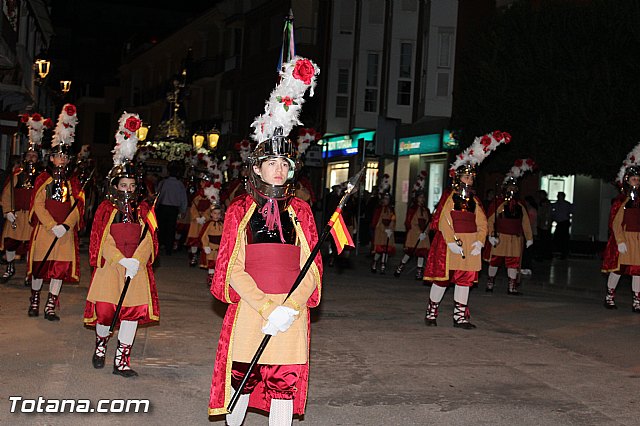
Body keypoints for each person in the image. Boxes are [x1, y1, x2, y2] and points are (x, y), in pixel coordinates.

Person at [208, 56, 321, 425]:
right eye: (272, 163)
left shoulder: (301, 212)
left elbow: (312, 268)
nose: (279, 169)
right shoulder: (239, 209)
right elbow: (231, 267)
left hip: (291, 311)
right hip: (251, 311)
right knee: (242, 379)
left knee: (284, 386)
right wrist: (265, 307)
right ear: (256, 168)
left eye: (285, 165)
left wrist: (290, 306)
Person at [83, 112, 159, 376]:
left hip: (135, 268)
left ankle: (122, 360)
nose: (127, 189)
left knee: (131, 313)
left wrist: (136, 260)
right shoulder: (105, 207)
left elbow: (150, 237)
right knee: (106, 312)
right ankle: (101, 345)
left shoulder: (144, 208)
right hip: (111, 266)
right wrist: (120, 259)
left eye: (131, 185)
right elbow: (100, 239)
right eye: (122, 184)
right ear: (115, 185)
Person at [423, 130, 510, 329]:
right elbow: (444, 220)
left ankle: (460, 316)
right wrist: (451, 242)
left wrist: (480, 241)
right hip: (450, 243)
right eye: (466, 177)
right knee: (443, 280)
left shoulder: (475, 200)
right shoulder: (449, 197)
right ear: (457, 178)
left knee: (465, 280)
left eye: (471, 178)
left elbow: (482, 223)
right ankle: (431, 311)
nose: (468, 181)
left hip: (470, 243)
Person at [27, 104, 84, 321]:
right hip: (46, 230)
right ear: (51, 158)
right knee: (40, 268)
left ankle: (50, 305)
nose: (62, 160)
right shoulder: (43, 179)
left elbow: (78, 207)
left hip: (65, 233)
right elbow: (38, 205)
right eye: (58, 156)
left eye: (65, 157)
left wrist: (66, 226)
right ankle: (34, 300)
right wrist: (52, 225)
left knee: (59, 270)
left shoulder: (74, 182)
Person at [0, 113, 48, 283]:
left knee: (30, 246)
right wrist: (7, 211)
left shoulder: (43, 177)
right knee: (11, 243)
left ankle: (29, 272)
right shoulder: (17, 174)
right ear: (24, 157)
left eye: (34, 156)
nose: (31, 158)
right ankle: (10, 267)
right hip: (16, 215)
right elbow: (7, 194)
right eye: (28, 156)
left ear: (38, 158)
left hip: (32, 217)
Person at [484, 175, 534, 295]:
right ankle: (490, 283)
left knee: (513, 263)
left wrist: (529, 237)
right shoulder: (499, 204)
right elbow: (490, 221)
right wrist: (491, 235)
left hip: (515, 239)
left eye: (514, 189)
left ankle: (512, 287)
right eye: (510, 188)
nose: (512, 191)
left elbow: (525, 222)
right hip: (500, 238)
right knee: (495, 261)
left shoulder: (520, 206)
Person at [602, 160, 640, 312]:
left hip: (638, 239)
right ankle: (609, 297)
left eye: (638, 179)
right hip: (625, 238)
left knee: (638, 270)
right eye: (633, 179)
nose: (636, 182)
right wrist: (620, 240)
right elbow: (616, 222)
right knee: (618, 269)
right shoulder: (621, 200)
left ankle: (637, 301)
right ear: (627, 180)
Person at [395, 177, 431, 280]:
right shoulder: (412, 209)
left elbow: (429, 222)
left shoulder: (426, 210)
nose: (422, 199)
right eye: (420, 197)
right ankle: (400, 267)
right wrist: (418, 231)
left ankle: (419, 271)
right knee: (410, 252)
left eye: (423, 197)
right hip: (414, 234)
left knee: (421, 253)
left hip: (423, 234)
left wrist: (426, 232)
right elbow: (409, 222)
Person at [156, 163, 187, 255]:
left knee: (161, 228)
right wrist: (183, 210)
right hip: (173, 209)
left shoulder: (164, 182)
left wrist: (156, 206)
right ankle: (168, 248)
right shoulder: (179, 184)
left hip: (163, 207)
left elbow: (158, 195)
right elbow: (183, 198)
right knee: (171, 229)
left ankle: (160, 245)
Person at [199, 183, 224, 285]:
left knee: (219, 264)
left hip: (219, 248)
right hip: (211, 248)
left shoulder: (222, 224)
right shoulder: (208, 224)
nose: (216, 215)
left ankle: (217, 280)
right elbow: (203, 235)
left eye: (218, 213)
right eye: (214, 213)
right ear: (211, 214)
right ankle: (210, 278)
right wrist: (205, 246)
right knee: (211, 264)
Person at [186, 177, 212, 266]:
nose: (202, 183)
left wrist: (205, 217)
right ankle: (193, 256)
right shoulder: (197, 194)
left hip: (206, 221)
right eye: (202, 182)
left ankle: (207, 259)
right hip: (196, 221)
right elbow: (193, 207)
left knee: (206, 239)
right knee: (194, 239)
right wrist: (196, 217)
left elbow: (212, 207)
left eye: (204, 182)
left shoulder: (212, 194)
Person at [370, 191, 396, 274]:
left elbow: (393, 219)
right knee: (379, 249)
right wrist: (383, 229)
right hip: (380, 231)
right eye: (384, 198)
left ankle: (383, 265)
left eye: (387, 199)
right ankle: (374, 262)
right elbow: (377, 221)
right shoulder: (379, 209)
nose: (386, 200)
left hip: (388, 232)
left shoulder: (391, 210)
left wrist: (390, 229)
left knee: (386, 249)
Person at [551, 191, 573, 259]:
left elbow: (571, 211)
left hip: (564, 222)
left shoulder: (566, 204)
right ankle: (560, 251)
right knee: (557, 238)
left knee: (564, 239)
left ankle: (564, 253)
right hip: (559, 223)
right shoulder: (556, 204)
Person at [536, 190, 552, 260]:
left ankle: (544, 255)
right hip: (542, 223)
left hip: (544, 223)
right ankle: (544, 255)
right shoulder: (542, 202)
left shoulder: (545, 203)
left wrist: (546, 223)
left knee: (544, 240)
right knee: (544, 240)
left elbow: (546, 214)